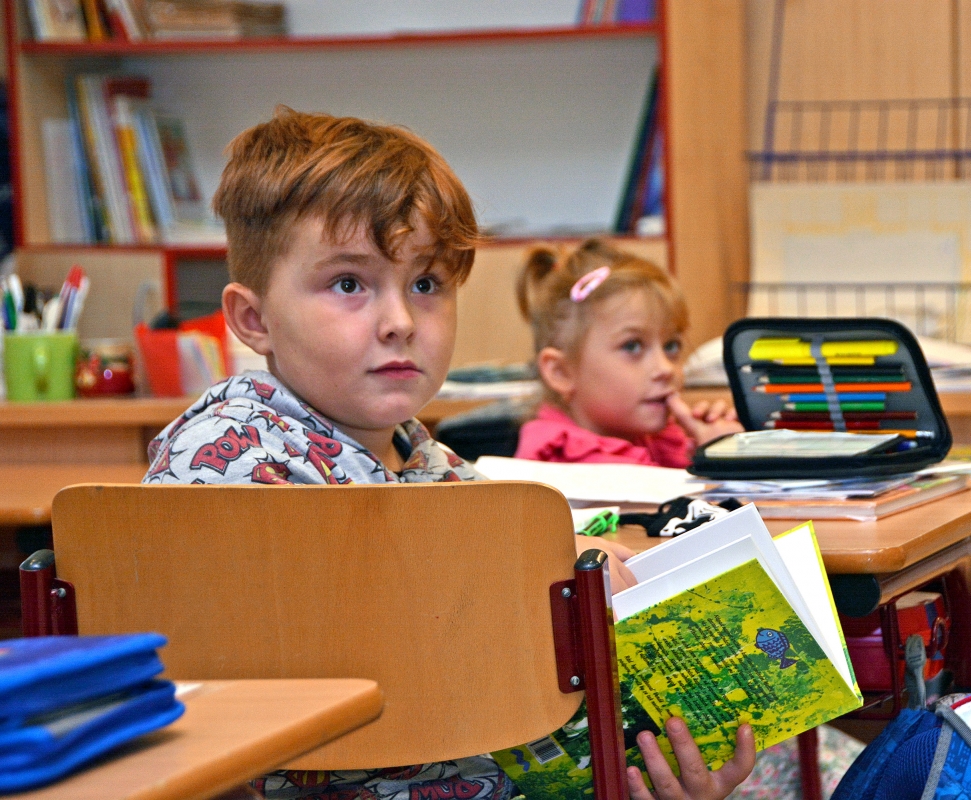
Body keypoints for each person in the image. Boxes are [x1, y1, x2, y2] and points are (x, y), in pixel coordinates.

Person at [143, 107, 755, 800]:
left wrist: (582, 556)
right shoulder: (221, 458)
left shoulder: (423, 457)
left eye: (426, 284)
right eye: (349, 284)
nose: (401, 321)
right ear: (253, 320)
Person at [514, 240, 742, 467]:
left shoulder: (651, 438)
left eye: (671, 346)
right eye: (632, 346)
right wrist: (722, 462)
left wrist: (709, 445)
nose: (665, 369)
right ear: (561, 372)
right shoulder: (566, 459)